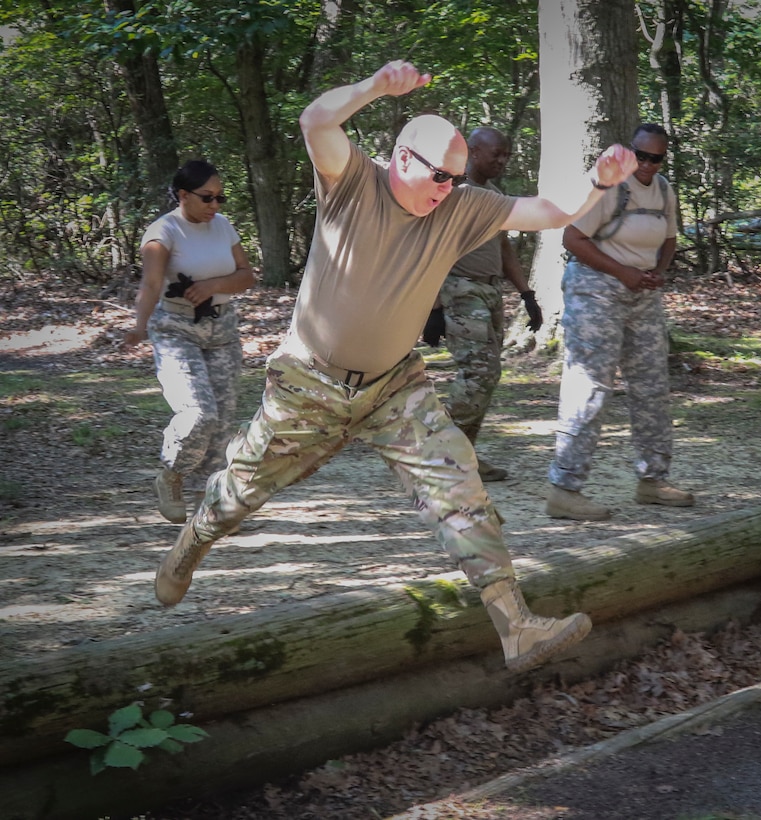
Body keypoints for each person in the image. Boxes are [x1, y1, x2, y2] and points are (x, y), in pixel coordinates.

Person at [154, 61, 637, 674]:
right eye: (436, 174)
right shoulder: (353, 181)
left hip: (393, 388)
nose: (445, 187)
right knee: (240, 491)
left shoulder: (460, 206)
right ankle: (189, 546)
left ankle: (515, 625)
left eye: (455, 178)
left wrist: (597, 181)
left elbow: (550, 210)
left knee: (458, 486)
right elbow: (316, 120)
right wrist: (377, 87)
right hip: (309, 382)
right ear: (401, 157)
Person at [546, 123, 694, 521]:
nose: (645, 164)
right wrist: (622, 273)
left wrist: (656, 272)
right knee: (590, 386)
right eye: (639, 155)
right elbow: (572, 239)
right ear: (630, 152)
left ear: (663, 158)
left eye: (654, 158)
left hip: (641, 294)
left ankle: (653, 480)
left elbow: (669, 238)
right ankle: (565, 488)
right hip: (596, 290)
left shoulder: (664, 190)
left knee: (652, 386)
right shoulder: (610, 188)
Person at [123, 160, 256, 524]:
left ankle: (209, 504)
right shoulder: (162, 233)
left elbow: (247, 276)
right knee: (199, 413)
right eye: (207, 197)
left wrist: (214, 286)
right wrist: (139, 326)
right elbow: (150, 285)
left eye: (220, 198)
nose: (215, 205)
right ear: (183, 195)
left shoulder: (223, 226)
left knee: (222, 422)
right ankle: (171, 474)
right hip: (176, 327)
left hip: (222, 329)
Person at [422, 126, 543, 482]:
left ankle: (462, 457)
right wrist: (432, 309)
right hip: (460, 290)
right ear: (474, 152)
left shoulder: (493, 195)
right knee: (478, 374)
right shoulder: (452, 196)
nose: (502, 161)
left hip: (490, 292)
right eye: (497, 154)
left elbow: (503, 248)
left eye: (506, 155)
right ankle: (433, 447)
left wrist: (526, 294)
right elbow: (430, 252)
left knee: (488, 377)